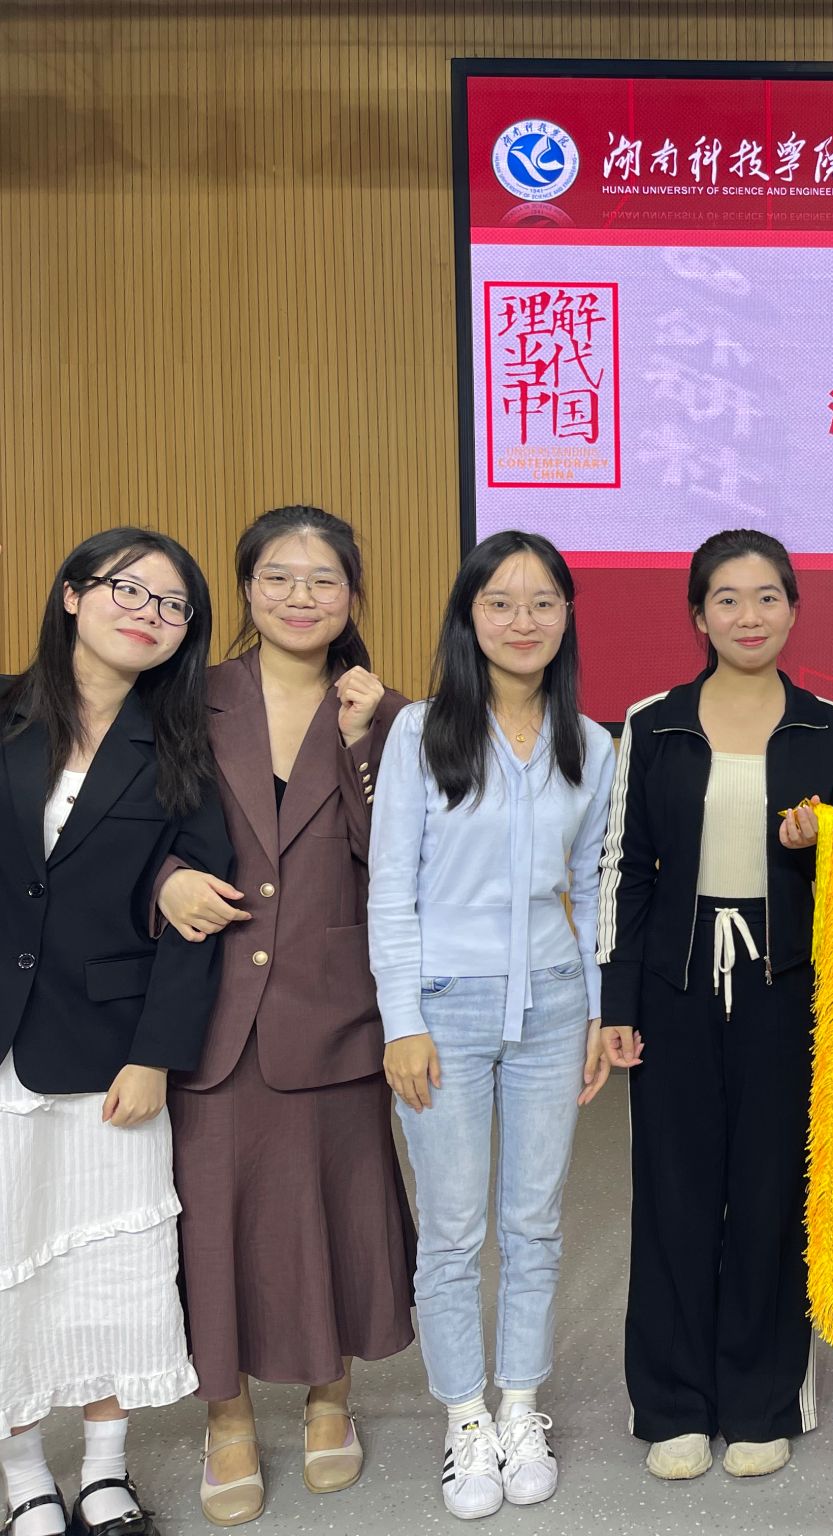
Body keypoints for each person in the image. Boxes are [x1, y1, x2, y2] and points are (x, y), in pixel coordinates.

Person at [146, 507, 414, 1526]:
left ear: (352, 596)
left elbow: (400, 858)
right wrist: (166, 881)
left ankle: (328, 1399)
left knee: (334, 1212)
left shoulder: (387, 714)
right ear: (247, 589)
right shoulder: (188, 695)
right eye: (278, 577)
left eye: (322, 579)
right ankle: (225, 1420)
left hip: (334, 1004)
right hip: (211, 1003)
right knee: (215, 1217)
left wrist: (359, 741)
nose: (301, 596)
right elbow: (131, 827)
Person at [367, 530, 630, 1521]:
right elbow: (390, 891)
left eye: (542, 603)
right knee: (452, 1229)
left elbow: (587, 889)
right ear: (468, 617)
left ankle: (520, 1406)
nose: (523, 621)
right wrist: (401, 1019)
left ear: (566, 618)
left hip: (553, 1007)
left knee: (533, 1221)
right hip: (443, 1010)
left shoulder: (590, 745)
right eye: (500, 603)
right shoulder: (420, 732)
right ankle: (464, 1417)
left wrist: (597, 1012)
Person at [598, 529, 833, 1484]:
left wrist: (821, 843)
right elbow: (625, 868)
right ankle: (672, 1404)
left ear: (794, 609)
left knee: (772, 1192)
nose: (750, 617)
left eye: (767, 597)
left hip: (789, 982)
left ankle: (760, 1401)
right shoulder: (654, 722)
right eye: (728, 600)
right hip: (676, 979)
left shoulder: (831, 727)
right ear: (698, 615)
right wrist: (617, 1000)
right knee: (674, 1190)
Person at [0, 529, 231, 1536]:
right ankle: (21, 1472)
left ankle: (103, 1470)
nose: (149, 613)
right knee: (7, 1256)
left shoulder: (181, 746)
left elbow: (200, 916)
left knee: (110, 1265)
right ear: (71, 595)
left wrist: (156, 1053)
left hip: (111, 1048)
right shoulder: (4, 713)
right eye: (128, 589)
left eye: (173, 605)